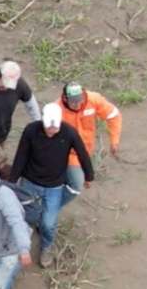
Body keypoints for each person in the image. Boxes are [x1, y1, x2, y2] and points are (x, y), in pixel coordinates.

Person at [10, 103, 94, 268]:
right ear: (43, 120)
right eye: (48, 128)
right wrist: (13, 180)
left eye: (54, 129)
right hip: (30, 181)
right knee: (25, 216)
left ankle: (47, 246)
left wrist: (89, 176)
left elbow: (82, 153)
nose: (51, 132)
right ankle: (20, 245)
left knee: (48, 223)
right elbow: (21, 155)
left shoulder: (69, 133)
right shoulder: (31, 130)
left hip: (54, 186)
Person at [58, 82, 121, 205]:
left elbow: (113, 115)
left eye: (79, 100)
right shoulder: (57, 109)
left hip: (85, 151)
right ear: (65, 98)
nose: (77, 105)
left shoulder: (93, 100)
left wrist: (114, 141)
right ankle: (52, 207)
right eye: (73, 102)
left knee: (73, 179)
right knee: (77, 184)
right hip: (68, 153)